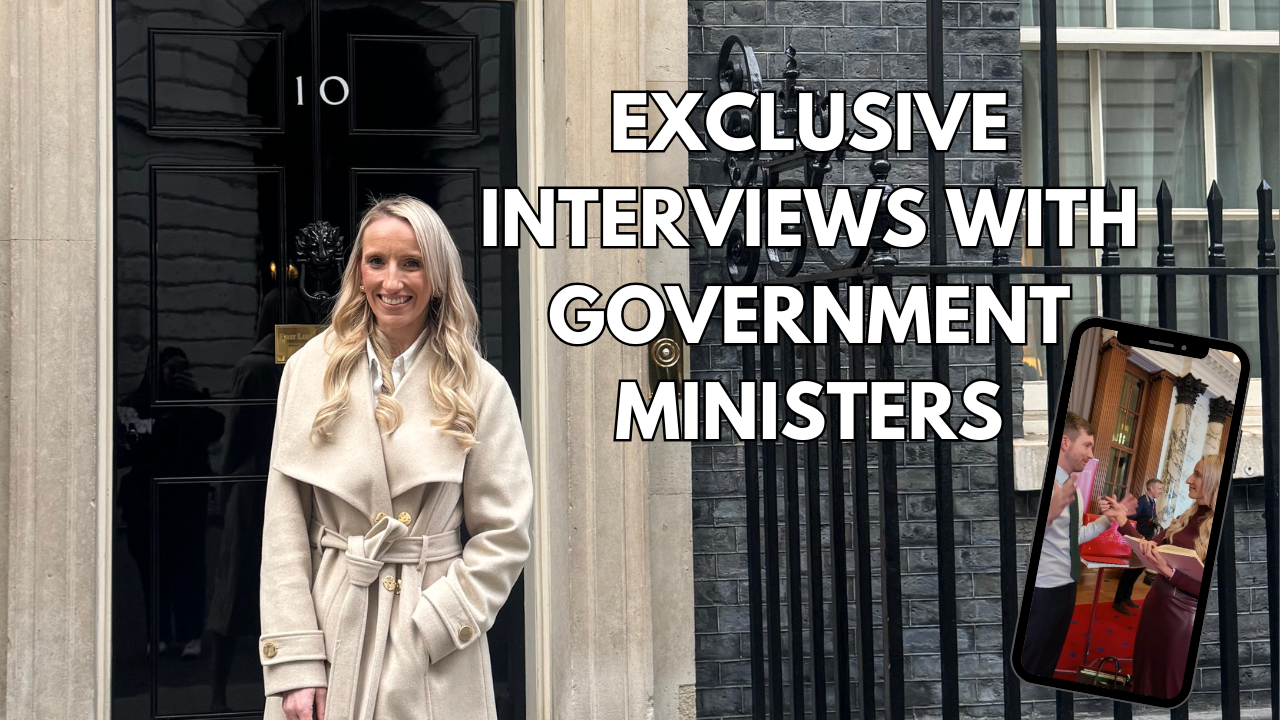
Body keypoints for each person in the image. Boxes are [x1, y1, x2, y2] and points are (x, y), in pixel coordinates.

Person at [258, 196, 533, 720]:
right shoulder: (308, 371)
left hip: (431, 641)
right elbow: (284, 527)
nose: (392, 281)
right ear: (358, 273)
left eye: (412, 263)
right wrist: (295, 663)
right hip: (332, 620)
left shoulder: (480, 385)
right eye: (377, 261)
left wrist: (438, 624)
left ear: (438, 275)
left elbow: (505, 533)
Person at [1100, 456, 1220, 699]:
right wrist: (1122, 519)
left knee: (1168, 682)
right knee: (1145, 669)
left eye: (1196, 475)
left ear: (1213, 481)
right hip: (1156, 604)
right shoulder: (1187, 516)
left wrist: (1170, 572)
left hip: (1183, 618)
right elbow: (1147, 547)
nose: (1188, 479)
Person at [1021, 412, 1114, 680]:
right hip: (1042, 590)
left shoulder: (1075, 488)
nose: (1091, 454)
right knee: (1030, 660)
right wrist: (1045, 517)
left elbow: (1071, 537)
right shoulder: (1039, 483)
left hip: (1068, 585)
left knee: (1049, 660)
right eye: (1087, 445)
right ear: (1064, 442)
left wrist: (1108, 521)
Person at [1111, 478, 1163, 615]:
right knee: (1130, 572)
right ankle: (1118, 601)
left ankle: (1127, 597)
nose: (1160, 491)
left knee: (1137, 572)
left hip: (1146, 542)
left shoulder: (1151, 502)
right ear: (1151, 488)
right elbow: (1131, 521)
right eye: (1159, 488)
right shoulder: (1142, 501)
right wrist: (1138, 536)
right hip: (1138, 541)